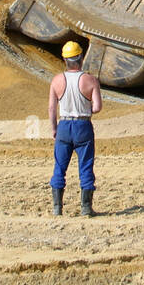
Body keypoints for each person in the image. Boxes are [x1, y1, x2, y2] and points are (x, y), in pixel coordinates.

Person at [47, 41, 103, 217]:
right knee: (86, 166)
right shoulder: (90, 80)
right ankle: (86, 208)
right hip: (83, 125)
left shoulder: (57, 80)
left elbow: (51, 108)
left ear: (65, 60)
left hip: (64, 125)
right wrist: (85, 109)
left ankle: (57, 208)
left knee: (60, 167)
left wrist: (54, 128)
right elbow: (97, 107)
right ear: (81, 58)